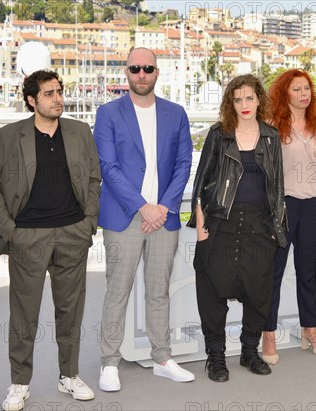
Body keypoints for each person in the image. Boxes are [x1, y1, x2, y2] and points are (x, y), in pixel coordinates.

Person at [0, 70, 100, 411]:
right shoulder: (9, 136)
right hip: (27, 237)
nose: (58, 98)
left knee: (70, 312)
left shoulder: (80, 131)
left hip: (72, 234)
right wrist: (10, 230)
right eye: (49, 93)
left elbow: (94, 179)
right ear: (32, 100)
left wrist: (88, 224)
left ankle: (69, 376)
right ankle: (19, 384)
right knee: (24, 315)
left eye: (60, 91)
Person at [94, 47, 194, 391]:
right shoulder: (108, 113)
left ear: (156, 72)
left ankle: (162, 358)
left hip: (163, 218)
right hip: (124, 217)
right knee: (117, 291)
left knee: (158, 292)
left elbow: (183, 165)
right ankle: (109, 362)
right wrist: (143, 206)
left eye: (147, 68)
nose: (141, 74)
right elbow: (108, 167)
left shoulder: (176, 113)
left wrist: (162, 207)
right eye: (135, 68)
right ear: (126, 71)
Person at [188, 74, 286, 382]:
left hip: (260, 225)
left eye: (249, 98)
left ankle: (249, 352)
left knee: (259, 293)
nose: (244, 105)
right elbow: (202, 180)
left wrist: (275, 228)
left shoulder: (271, 136)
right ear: (231, 103)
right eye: (237, 99)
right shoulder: (219, 135)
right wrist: (200, 224)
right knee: (213, 293)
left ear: (259, 100)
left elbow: (278, 186)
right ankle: (216, 357)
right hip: (221, 222)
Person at [261, 69, 316, 364]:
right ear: (284, 94)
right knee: (274, 273)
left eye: (307, 89)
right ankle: (268, 335)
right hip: (284, 206)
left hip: (314, 206)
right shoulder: (271, 125)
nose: (304, 94)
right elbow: (265, 169)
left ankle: (310, 329)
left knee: (307, 271)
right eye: (297, 89)